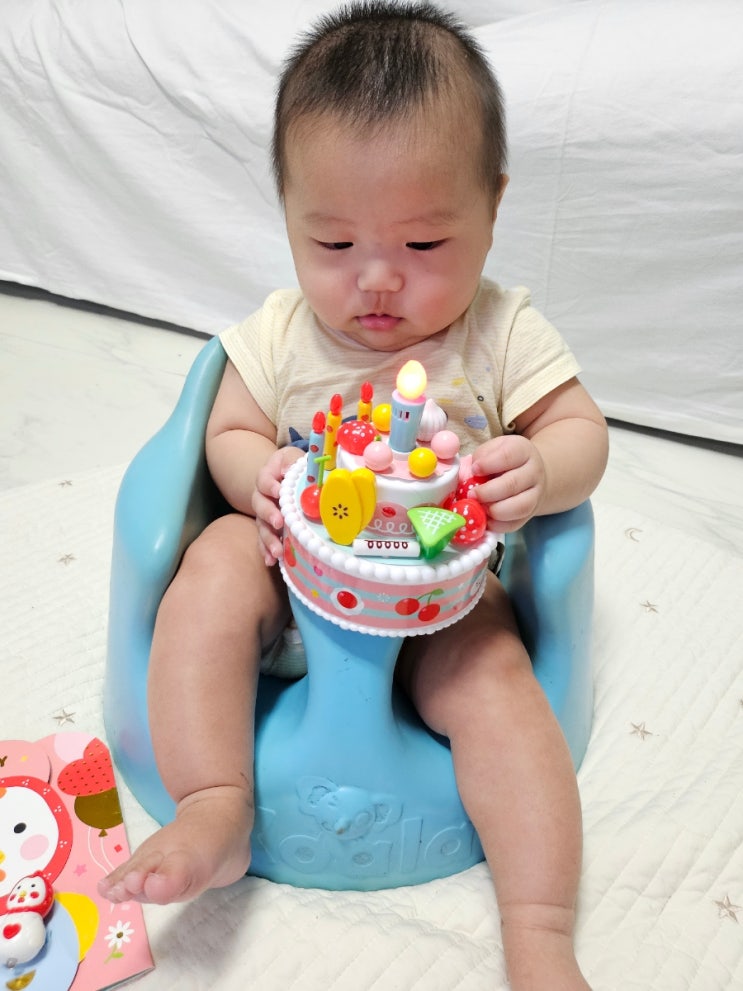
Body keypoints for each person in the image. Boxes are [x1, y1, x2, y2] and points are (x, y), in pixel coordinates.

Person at [100, 3, 608, 988]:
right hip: (291, 581)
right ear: (289, 215)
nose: (374, 281)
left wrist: (543, 467)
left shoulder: (501, 333)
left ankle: (539, 929)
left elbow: (583, 435)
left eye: (423, 245)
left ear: (491, 207)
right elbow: (227, 432)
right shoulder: (282, 334)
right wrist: (257, 474)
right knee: (207, 568)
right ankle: (214, 803)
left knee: (497, 684)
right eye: (332, 244)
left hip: (441, 600)